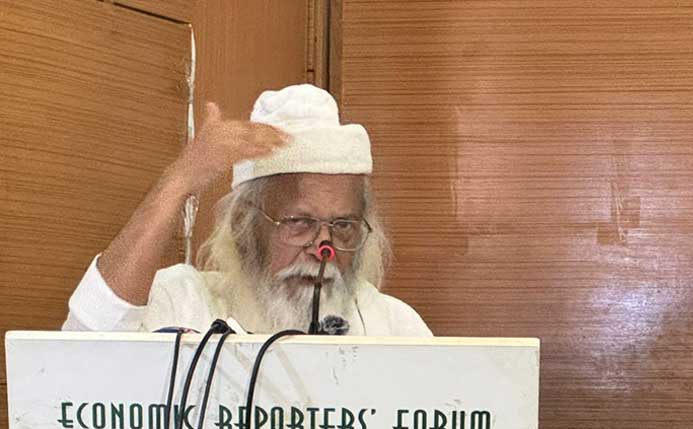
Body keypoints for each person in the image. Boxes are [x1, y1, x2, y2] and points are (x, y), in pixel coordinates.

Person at [62, 84, 431, 336]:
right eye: (299, 222)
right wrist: (178, 182)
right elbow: (87, 340)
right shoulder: (186, 302)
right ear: (244, 225)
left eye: (343, 224)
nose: (324, 248)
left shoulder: (393, 325)